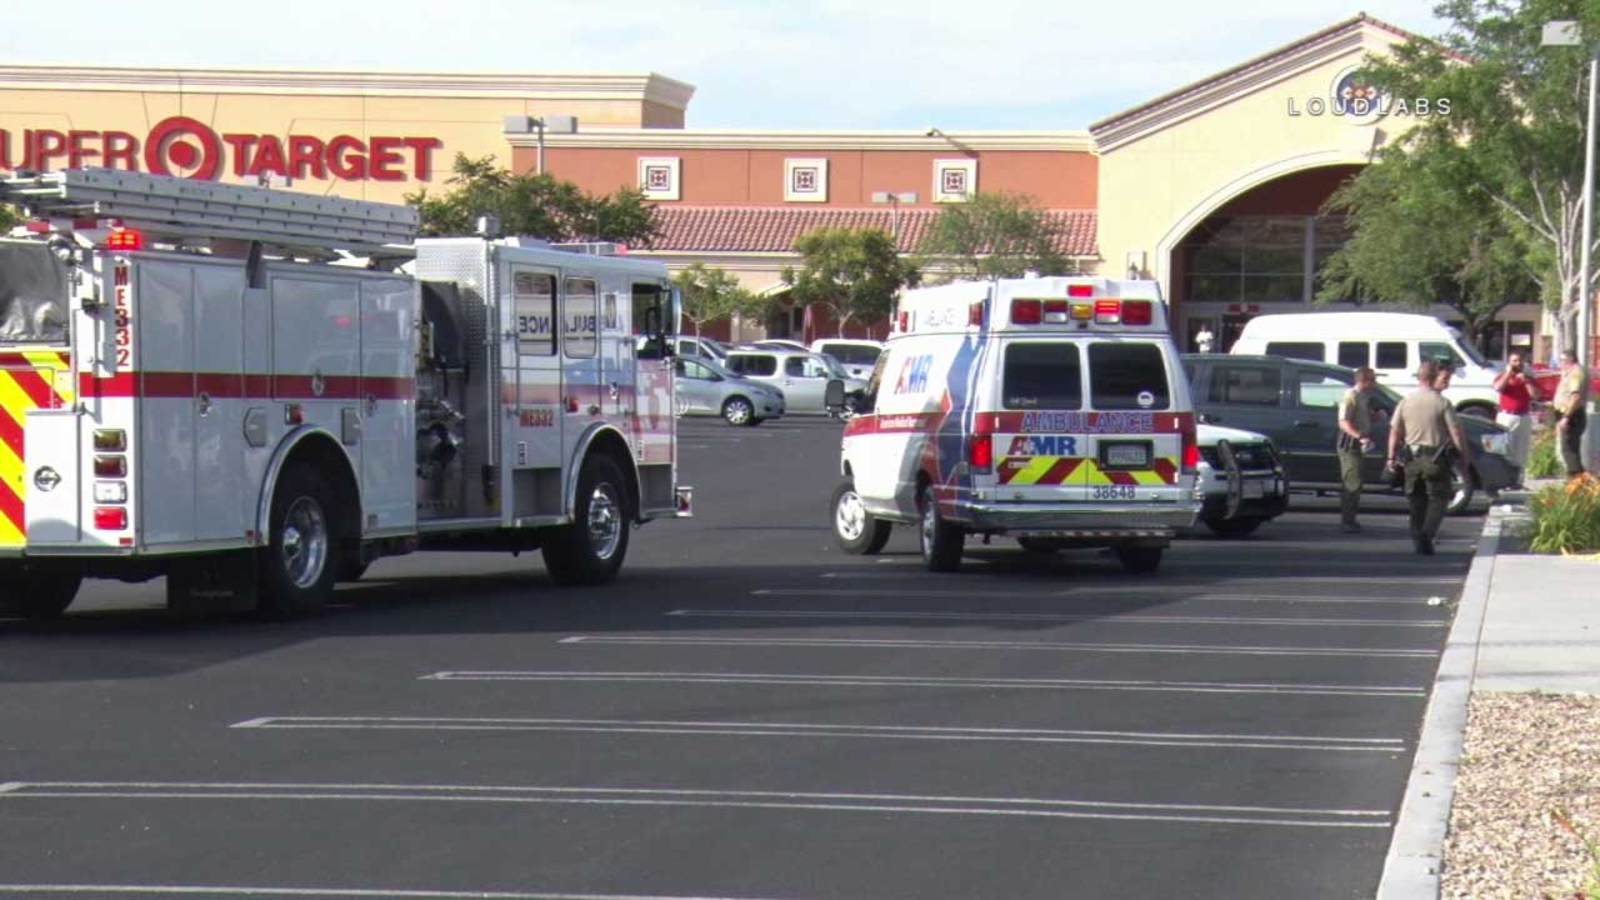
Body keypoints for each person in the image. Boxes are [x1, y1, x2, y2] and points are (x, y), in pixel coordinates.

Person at [1387, 361, 1471, 555]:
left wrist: (1391, 457)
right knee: (1440, 497)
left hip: (1411, 456)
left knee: (1416, 499)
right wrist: (1464, 456)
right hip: (1435, 456)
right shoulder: (1442, 403)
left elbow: (1394, 432)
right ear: (1434, 377)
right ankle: (1427, 532)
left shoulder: (1405, 402)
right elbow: (1456, 432)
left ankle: (1417, 537)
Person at [1335, 366, 1378, 533]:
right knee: (1351, 481)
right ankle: (1347, 521)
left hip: (1359, 444)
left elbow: (1362, 417)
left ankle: (1351, 519)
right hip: (1350, 444)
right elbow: (1343, 422)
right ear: (1364, 381)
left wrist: (1374, 416)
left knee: (1357, 481)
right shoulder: (1351, 396)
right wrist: (1360, 436)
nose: (1375, 383)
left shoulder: (1364, 397)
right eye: (1372, 380)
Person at [1492, 351, 1541, 484]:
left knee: (1521, 451)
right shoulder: (1503, 377)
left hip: (1523, 417)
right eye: (1514, 361)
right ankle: (1501, 479)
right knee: (1503, 449)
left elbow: (1536, 395)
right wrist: (1508, 374)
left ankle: (1518, 480)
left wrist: (1526, 381)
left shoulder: (1528, 378)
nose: (1517, 364)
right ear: (1509, 363)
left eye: (1519, 361)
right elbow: (1497, 387)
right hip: (1506, 416)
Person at [1552, 349, 1591, 479]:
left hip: (1572, 416)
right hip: (1567, 415)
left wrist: (1566, 417)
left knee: (1568, 449)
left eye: (1562, 360)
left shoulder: (1575, 373)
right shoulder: (1569, 373)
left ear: (1569, 360)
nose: (1560, 364)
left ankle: (1576, 480)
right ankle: (1578, 480)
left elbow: (1575, 397)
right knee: (1571, 449)